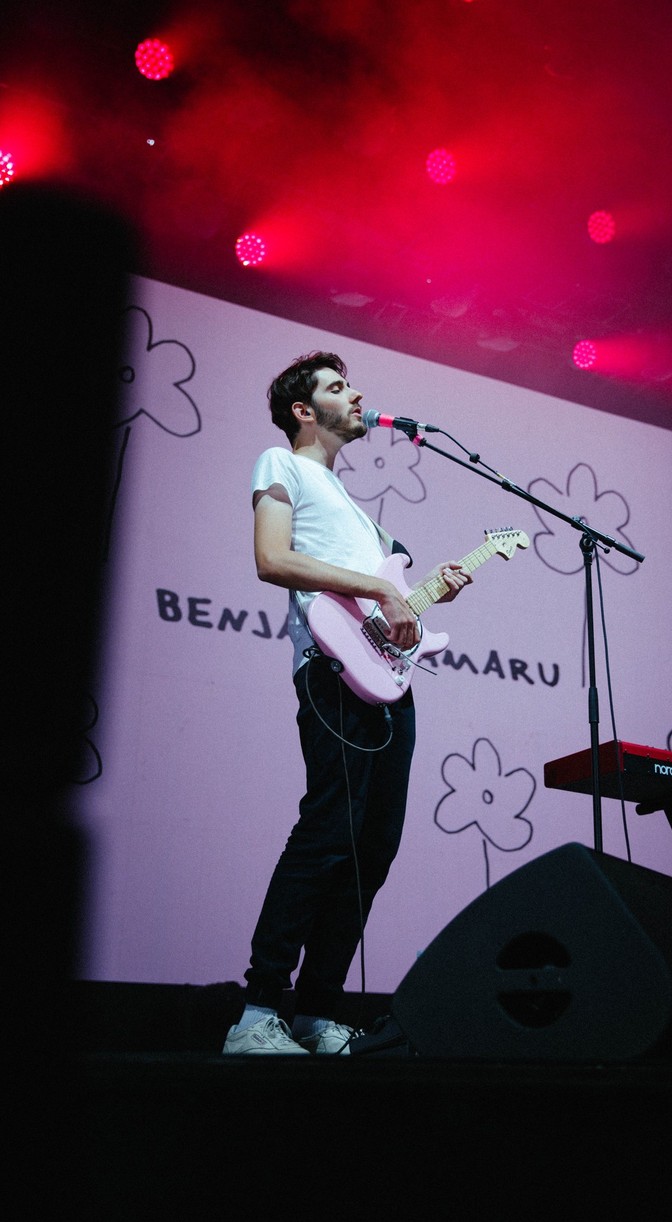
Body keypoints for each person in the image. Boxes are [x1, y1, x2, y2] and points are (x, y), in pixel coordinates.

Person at [223, 351, 470, 1055]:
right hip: (329, 675)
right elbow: (271, 560)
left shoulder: (369, 525)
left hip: (387, 682)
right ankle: (258, 1011)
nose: (356, 394)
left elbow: (392, 616)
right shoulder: (283, 465)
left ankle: (316, 1013)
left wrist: (418, 599)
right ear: (304, 411)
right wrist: (381, 591)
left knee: (373, 847)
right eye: (337, 387)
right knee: (329, 829)